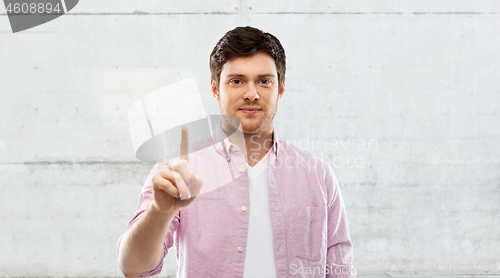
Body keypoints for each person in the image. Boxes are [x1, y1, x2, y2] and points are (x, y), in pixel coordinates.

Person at [117, 26, 356, 278]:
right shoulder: (177, 170)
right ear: (215, 89)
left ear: (280, 89)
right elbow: (132, 267)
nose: (251, 94)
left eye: (264, 81)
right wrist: (159, 212)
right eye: (237, 81)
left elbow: (340, 271)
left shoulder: (319, 175)